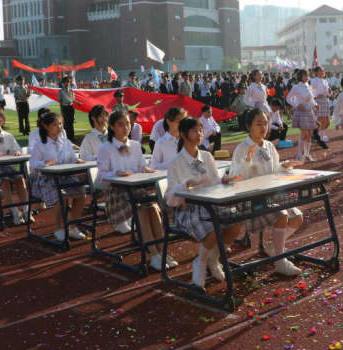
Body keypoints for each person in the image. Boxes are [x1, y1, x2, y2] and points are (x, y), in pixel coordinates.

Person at [164, 117, 244, 286]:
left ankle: (213, 258)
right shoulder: (176, 163)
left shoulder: (207, 156)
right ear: (183, 135)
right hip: (187, 209)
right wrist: (184, 185)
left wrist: (224, 180)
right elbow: (170, 197)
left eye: (200, 130)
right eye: (194, 130)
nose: (199, 134)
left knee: (234, 225)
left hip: (209, 205)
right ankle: (199, 263)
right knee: (213, 228)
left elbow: (214, 181)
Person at [228, 108, 305, 276]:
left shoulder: (269, 145)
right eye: (258, 124)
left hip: (270, 197)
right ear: (249, 126)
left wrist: (285, 165)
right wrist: (247, 162)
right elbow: (235, 177)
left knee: (297, 217)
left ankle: (273, 247)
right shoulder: (242, 148)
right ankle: (280, 261)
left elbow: (275, 169)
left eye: (265, 123)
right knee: (282, 215)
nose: (264, 128)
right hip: (251, 200)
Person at [97, 111, 172, 271]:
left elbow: (140, 167)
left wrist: (145, 168)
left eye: (128, 124)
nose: (125, 128)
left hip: (137, 190)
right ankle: (153, 255)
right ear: (111, 127)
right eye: (120, 125)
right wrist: (115, 173)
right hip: (118, 194)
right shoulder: (106, 148)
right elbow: (100, 177)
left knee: (153, 208)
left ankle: (162, 251)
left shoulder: (136, 145)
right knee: (142, 211)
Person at [29, 112, 88, 243]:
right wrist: (44, 163)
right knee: (61, 198)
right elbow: (32, 166)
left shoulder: (66, 142)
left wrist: (77, 160)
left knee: (82, 194)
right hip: (47, 179)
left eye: (60, 124)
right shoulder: (40, 145)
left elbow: (72, 158)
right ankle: (58, 229)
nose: (59, 127)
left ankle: (72, 227)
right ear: (46, 126)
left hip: (65, 177)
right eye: (55, 124)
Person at [286, 69, 319, 162]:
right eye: (305, 75)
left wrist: (315, 105)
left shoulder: (309, 86)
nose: (306, 77)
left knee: (309, 135)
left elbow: (311, 99)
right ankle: (299, 155)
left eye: (307, 75)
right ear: (300, 77)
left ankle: (307, 155)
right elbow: (288, 98)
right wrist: (296, 105)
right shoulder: (296, 87)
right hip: (301, 112)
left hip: (309, 111)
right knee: (305, 134)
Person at [310, 66, 332, 148]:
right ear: (316, 72)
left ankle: (316, 135)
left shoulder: (325, 81)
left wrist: (330, 92)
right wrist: (315, 96)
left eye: (323, 71)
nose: (322, 72)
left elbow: (329, 93)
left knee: (328, 123)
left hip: (325, 101)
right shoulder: (314, 81)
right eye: (320, 71)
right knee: (323, 122)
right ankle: (321, 141)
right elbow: (309, 91)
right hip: (319, 101)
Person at [58, 76, 76, 141]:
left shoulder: (71, 91)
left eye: (68, 82)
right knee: (66, 123)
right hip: (64, 107)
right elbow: (60, 101)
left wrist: (79, 103)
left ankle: (72, 137)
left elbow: (73, 100)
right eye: (66, 82)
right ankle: (66, 137)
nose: (68, 83)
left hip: (70, 107)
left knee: (71, 123)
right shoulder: (61, 91)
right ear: (63, 83)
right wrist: (61, 110)